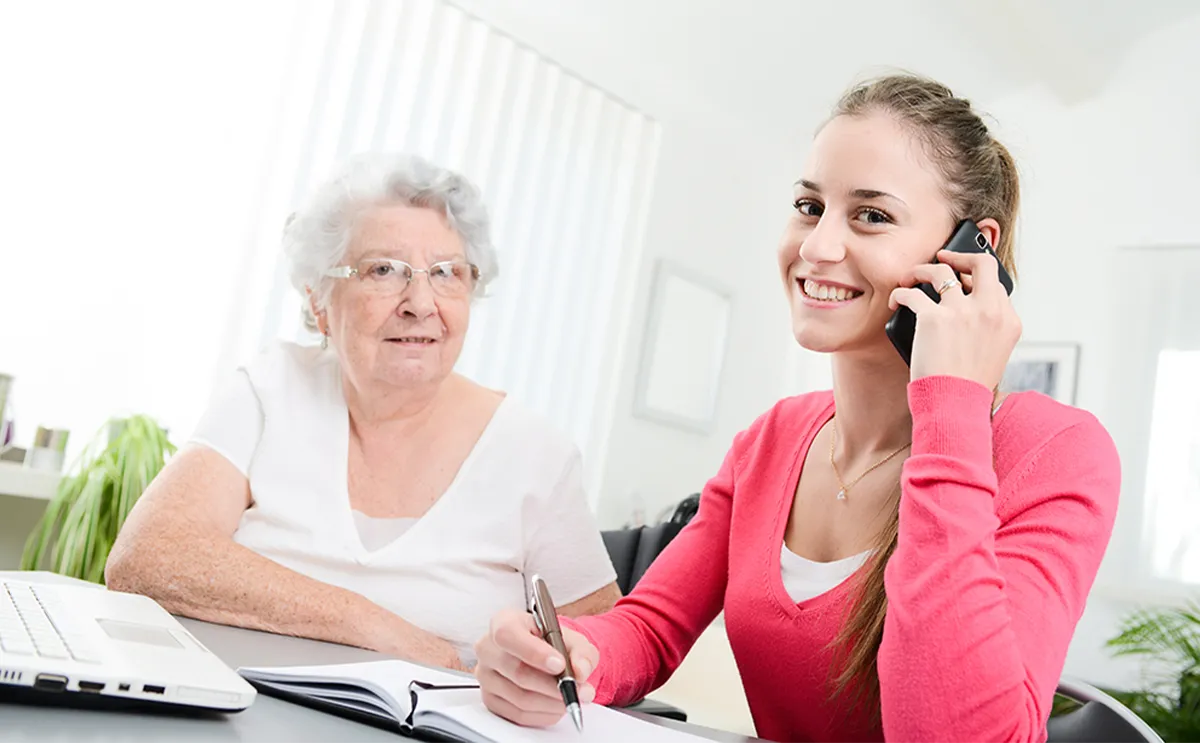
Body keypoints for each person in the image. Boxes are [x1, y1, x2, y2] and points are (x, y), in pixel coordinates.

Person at [470, 74, 1121, 742]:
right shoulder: (772, 440)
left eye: (871, 215)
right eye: (810, 206)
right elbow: (647, 628)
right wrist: (565, 655)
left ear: (968, 252)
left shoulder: (1056, 451)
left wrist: (951, 404)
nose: (815, 246)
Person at [106, 154, 621, 671]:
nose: (420, 302)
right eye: (383, 270)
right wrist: (379, 629)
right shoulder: (272, 388)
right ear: (319, 301)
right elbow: (150, 554)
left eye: (446, 273)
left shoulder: (537, 455)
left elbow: (604, 650)